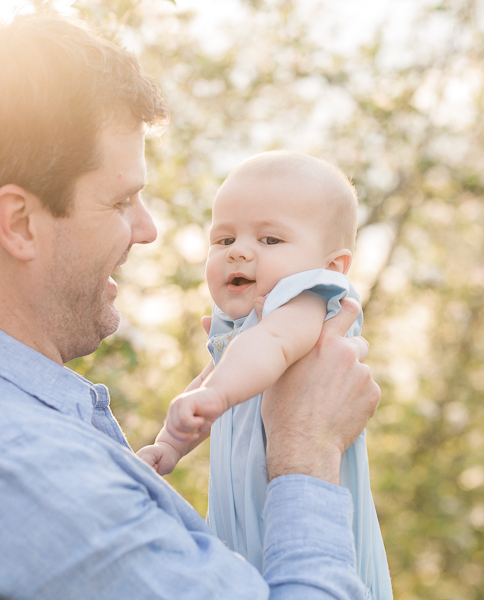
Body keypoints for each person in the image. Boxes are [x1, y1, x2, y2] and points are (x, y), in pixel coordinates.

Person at [0, 14, 382, 600]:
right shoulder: (26, 473)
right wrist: (308, 449)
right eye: (121, 201)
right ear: (19, 222)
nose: (149, 230)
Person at [137, 151, 393, 600]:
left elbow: (268, 346)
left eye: (270, 240)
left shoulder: (309, 300)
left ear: (332, 266)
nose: (239, 250)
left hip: (305, 531)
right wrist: (170, 444)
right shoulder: (240, 330)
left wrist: (215, 396)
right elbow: (211, 378)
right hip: (247, 529)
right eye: (224, 238)